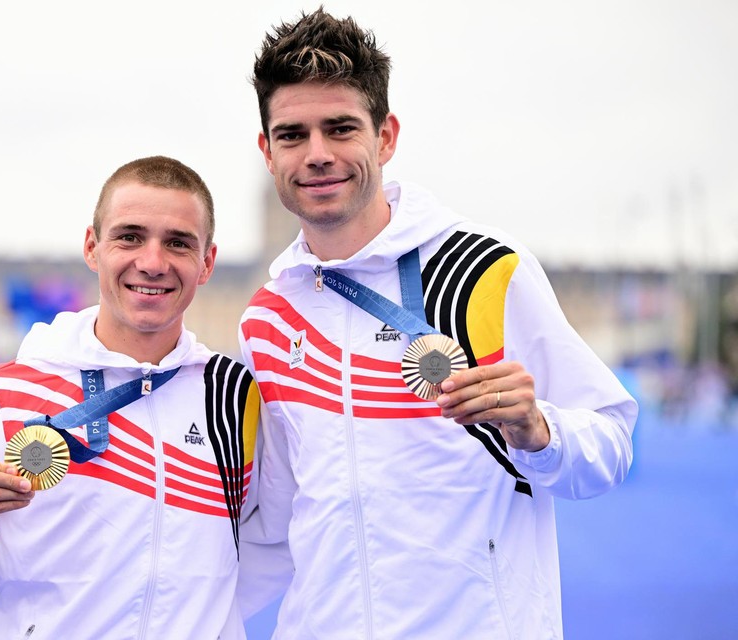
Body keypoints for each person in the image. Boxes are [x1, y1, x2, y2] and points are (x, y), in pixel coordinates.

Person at [236, 9, 639, 639]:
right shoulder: (266, 317)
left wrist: (539, 430)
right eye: (292, 135)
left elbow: (611, 445)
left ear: (385, 136)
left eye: (340, 128)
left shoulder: (484, 270)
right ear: (267, 150)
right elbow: (281, 519)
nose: (317, 155)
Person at [0, 156, 260, 639]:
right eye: (129, 236)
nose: (152, 262)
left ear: (207, 262)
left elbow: (269, 542)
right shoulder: (7, 393)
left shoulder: (235, 395)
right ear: (93, 248)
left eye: (177, 243)